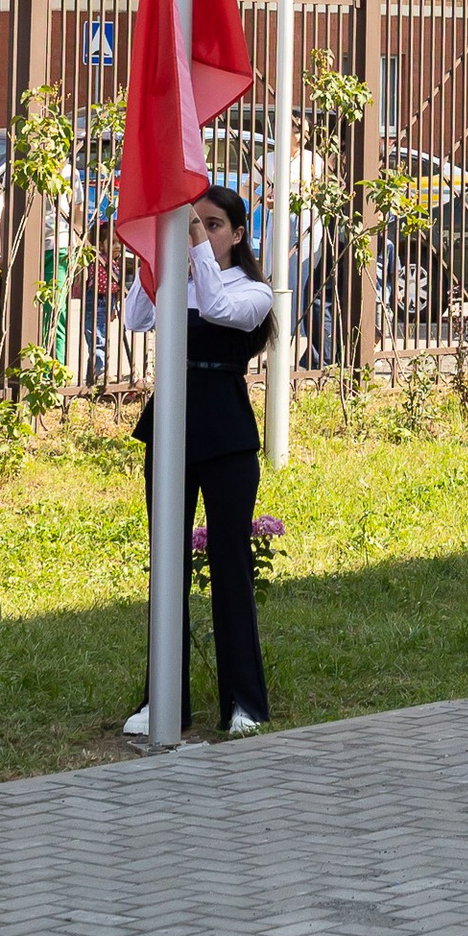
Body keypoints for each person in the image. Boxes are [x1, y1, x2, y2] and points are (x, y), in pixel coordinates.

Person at [121, 183, 276, 737]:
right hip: (170, 423)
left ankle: (244, 703)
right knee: (167, 563)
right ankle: (165, 701)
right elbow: (137, 319)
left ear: (237, 235)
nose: (203, 234)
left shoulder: (253, 291)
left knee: (229, 562)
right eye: (198, 223)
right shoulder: (181, 276)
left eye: (214, 225)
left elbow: (218, 308)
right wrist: (154, 257)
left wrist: (191, 244)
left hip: (226, 429)